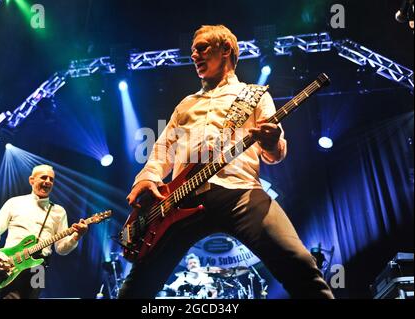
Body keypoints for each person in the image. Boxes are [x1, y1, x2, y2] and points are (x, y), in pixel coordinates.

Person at [119, 25, 334, 299]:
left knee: (299, 264)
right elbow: (163, 150)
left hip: (240, 191)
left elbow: (276, 154)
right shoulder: (185, 105)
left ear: (226, 50)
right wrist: (147, 178)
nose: (194, 54)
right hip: (181, 200)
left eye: (202, 47)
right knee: (136, 287)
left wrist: (271, 140)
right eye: (192, 49)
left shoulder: (254, 94)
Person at [0, 164, 88, 299]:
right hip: (11, 264)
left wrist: (77, 236)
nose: (48, 181)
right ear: (32, 180)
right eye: (44, 177)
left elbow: (61, 249)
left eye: (51, 179)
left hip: (39, 266)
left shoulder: (58, 211)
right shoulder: (14, 203)